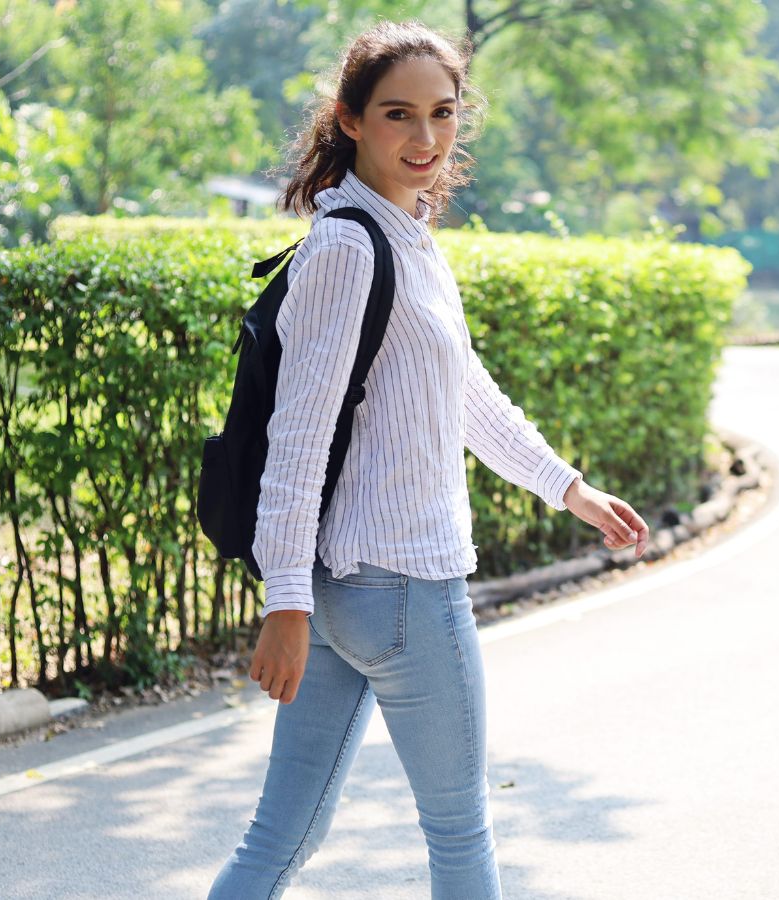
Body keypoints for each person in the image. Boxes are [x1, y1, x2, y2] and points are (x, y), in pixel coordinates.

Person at [208, 20, 650, 900]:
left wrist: (569, 488)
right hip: (402, 585)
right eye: (399, 115)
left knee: (280, 839)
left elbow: (468, 399)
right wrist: (283, 603)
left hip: (347, 592)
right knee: (459, 836)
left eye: (443, 115)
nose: (425, 140)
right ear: (351, 119)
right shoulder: (347, 249)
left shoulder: (405, 239)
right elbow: (297, 442)